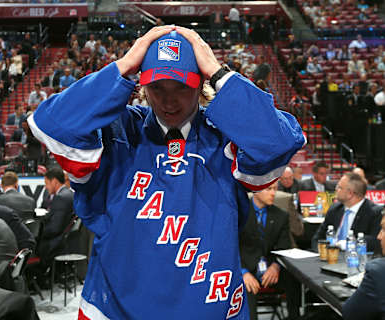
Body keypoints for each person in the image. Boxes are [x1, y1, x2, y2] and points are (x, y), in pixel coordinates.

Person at [27, 26, 304, 319]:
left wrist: (217, 72)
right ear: (143, 86)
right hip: (116, 309)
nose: (168, 101)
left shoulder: (226, 138)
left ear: (201, 85)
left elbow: (281, 142)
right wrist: (125, 65)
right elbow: (48, 123)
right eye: (157, 87)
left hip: (210, 308)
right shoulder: (117, 132)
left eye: (181, 87)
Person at [240, 182, 300, 320]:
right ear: (256, 190)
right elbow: (232, 247)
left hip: (270, 269)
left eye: (275, 189)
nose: (273, 193)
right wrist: (243, 272)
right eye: (269, 189)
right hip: (246, 268)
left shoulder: (281, 216)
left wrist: (275, 266)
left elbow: (284, 247)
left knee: (294, 279)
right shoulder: (239, 212)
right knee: (245, 289)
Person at [312, 173, 382, 253]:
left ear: (350, 194)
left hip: (354, 258)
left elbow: (375, 241)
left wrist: (347, 244)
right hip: (329, 257)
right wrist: (320, 252)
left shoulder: (374, 212)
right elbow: (317, 238)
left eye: (339, 187)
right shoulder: (334, 209)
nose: (335, 189)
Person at [38, 167, 74, 267]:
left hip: (57, 243)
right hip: (64, 240)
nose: (46, 187)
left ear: (54, 181)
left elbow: (55, 228)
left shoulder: (61, 197)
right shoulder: (68, 194)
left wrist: (38, 233)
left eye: (47, 184)